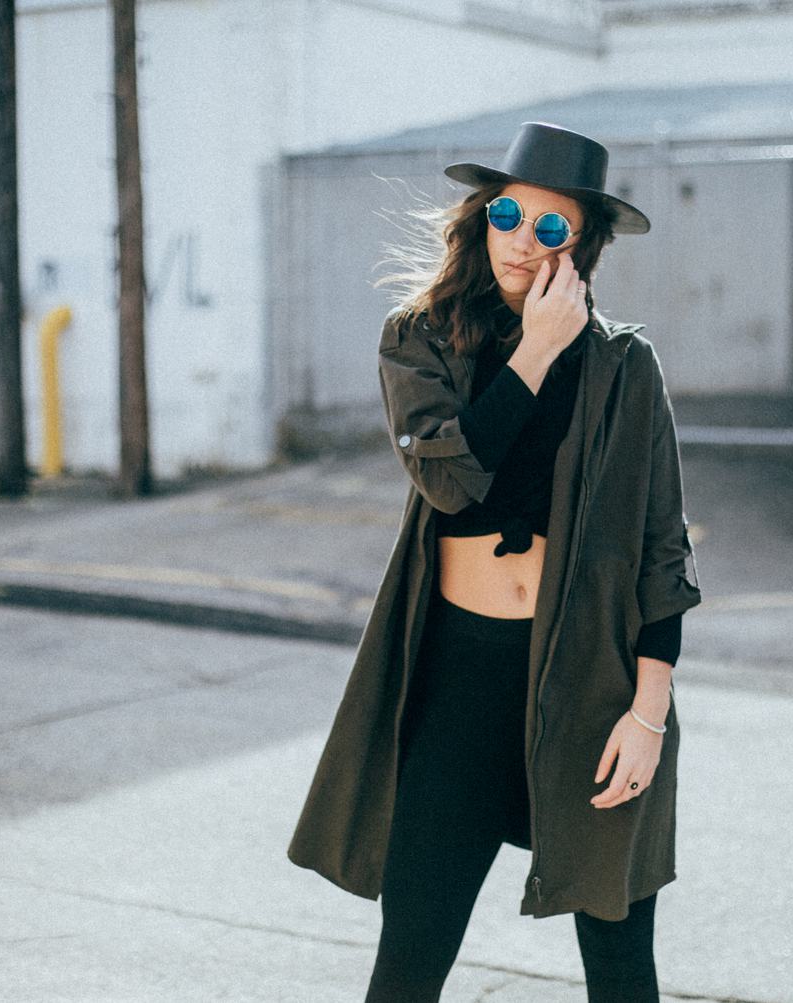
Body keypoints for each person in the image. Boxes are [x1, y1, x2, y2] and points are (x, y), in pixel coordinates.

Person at [286, 121, 702, 1003]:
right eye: (508, 214)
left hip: (595, 679)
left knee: (622, 961)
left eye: (551, 227)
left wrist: (649, 715)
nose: (522, 238)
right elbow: (450, 481)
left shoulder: (626, 365)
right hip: (459, 679)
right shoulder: (421, 338)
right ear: (483, 217)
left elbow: (664, 547)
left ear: (581, 243)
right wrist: (537, 350)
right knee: (412, 955)